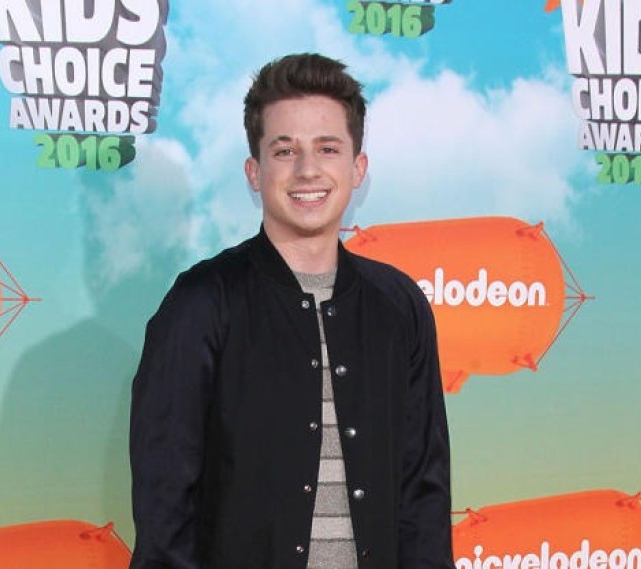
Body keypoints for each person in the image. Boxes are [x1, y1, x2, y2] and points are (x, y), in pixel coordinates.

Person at [129, 53, 455, 568]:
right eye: (285, 151)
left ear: (357, 168)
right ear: (254, 171)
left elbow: (423, 497)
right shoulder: (201, 303)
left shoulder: (399, 307)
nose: (307, 170)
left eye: (328, 148)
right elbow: (164, 505)